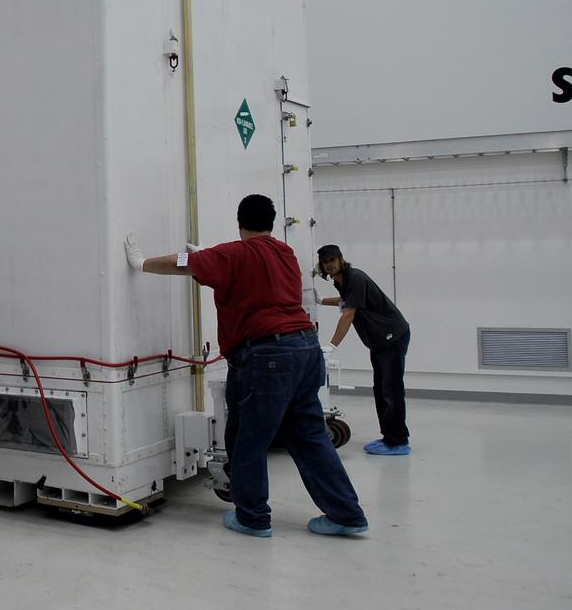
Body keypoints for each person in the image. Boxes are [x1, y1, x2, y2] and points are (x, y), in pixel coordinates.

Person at [124, 195, 367, 538]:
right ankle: (347, 514)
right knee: (311, 437)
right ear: (271, 222)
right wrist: (211, 257)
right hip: (304, 348)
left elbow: (183, 263)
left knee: (248, 439)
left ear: (240, 223)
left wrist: (141, 262)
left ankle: (253, 517)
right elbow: (251, 279)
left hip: (267, 356)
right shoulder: (284, 252)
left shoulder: (231, 254)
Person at [317, 244, 411, 456]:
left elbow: (349, 313)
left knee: (391, 391)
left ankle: (398, 442)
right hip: (379, 341)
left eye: (332, 260)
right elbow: (347, 301)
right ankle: (390, 438)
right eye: (325, 262)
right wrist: (321, 300)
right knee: (381, 390)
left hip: (392, 337)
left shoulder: (355, 277)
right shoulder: (342, 281)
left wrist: (332, 345)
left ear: (341, 259)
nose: (329, 265)